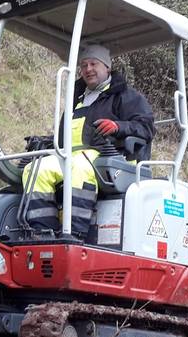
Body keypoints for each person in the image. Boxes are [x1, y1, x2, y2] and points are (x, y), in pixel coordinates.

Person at [21, 44, 156, 237]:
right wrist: (47, 142)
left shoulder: (126, 96)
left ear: (107, 67)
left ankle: (74, 233)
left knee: (78, 170)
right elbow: (69, 135)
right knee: (34, 170)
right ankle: (43, 231)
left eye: (93, 64)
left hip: (110, 157)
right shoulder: (78, 98)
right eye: (84, 65)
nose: (88, 69)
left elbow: (146, 127)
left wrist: (119, 127)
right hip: (73, 155)